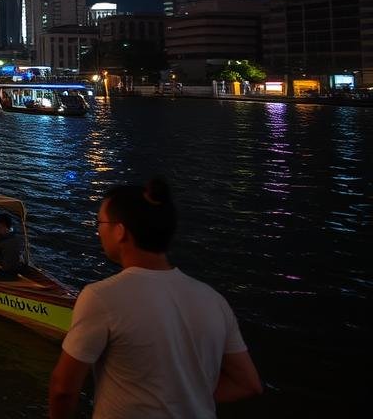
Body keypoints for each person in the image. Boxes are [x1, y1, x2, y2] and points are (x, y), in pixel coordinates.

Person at [48, 178, 263, 418]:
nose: (98, 230)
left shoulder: (102, 298)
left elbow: (63, 389)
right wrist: (188, 396)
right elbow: (248, 383)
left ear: (120, 231)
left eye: (100, 222)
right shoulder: (214, 301)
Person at [0, 213, 23, 280]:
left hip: (6, 274)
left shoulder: (7, 242)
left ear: (4, 226)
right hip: (13, 270)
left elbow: (7, 265)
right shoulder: (12, 237)